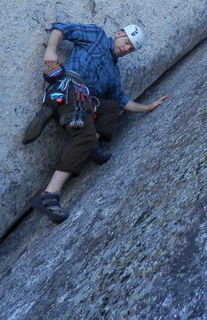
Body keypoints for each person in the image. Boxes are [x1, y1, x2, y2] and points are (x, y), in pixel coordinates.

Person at [24, 22, 167, 222]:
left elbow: (123, 101)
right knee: (85, 135)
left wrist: (148, 107)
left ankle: (89, 142)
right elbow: (61, 28)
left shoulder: (113, 72)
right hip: (69, 87)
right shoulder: (96, 35)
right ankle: (48, 194)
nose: (126, 49)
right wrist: (50, 50)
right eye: (126, 42)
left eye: (130, 49)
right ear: (118, 34)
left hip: (85, 103)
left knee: (110, 107)